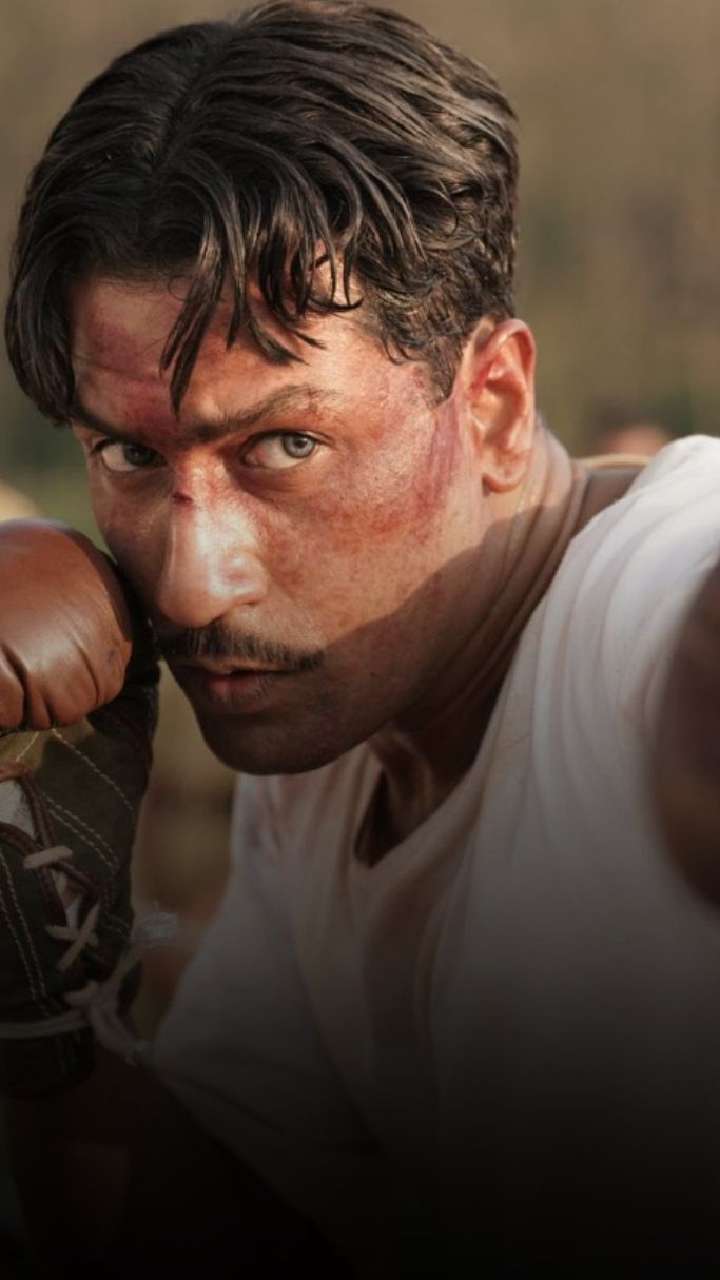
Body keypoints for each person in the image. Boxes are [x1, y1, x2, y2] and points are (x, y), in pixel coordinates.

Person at [2, 1, 720, 1273]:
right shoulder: (329, 756)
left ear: (493, 405)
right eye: (130, 454)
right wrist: (45, 1034)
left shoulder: (651, 608)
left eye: (285, 444)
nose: (193, 587)